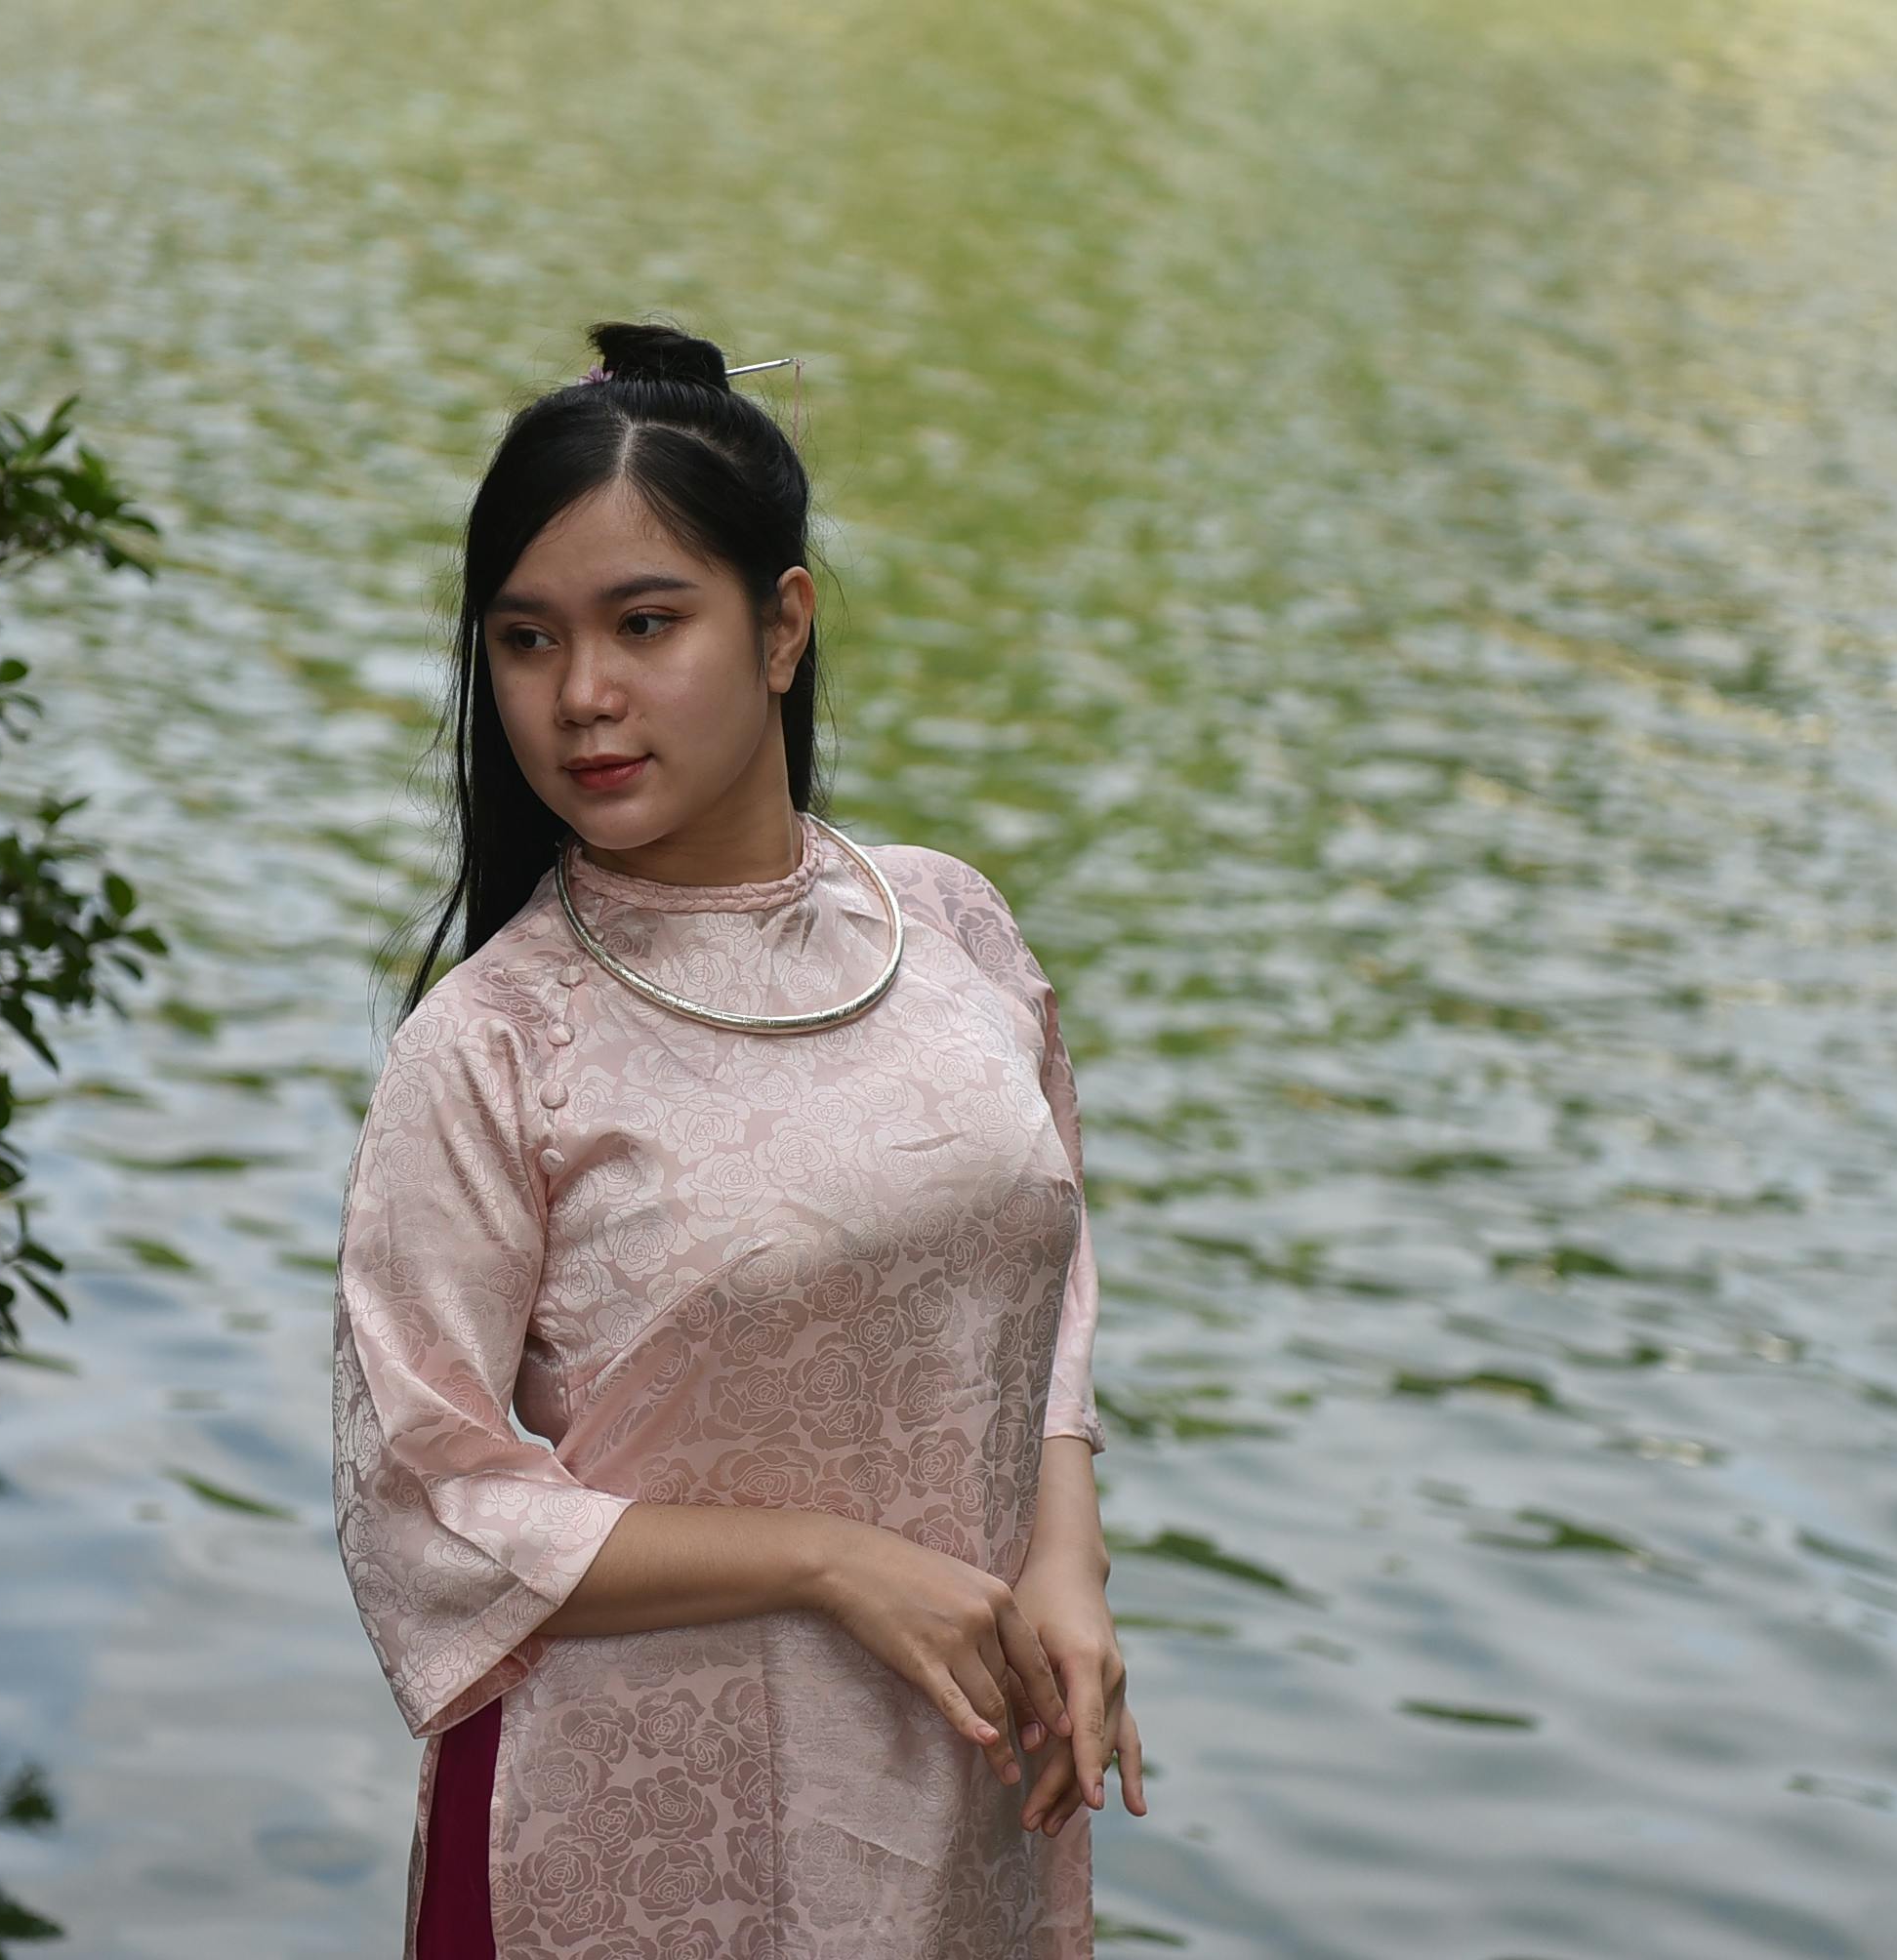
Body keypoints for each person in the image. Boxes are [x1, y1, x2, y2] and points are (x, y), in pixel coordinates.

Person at [331, 317, 1146, 1960]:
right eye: (526, 640)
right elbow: (420, 1494)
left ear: (784, 627)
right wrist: (830, 1565)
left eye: (647, 623)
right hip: (624, 1796)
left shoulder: (952, 931)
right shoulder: (498, 1047)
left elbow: (1038, 1276)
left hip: (959, 1752)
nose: (582, 698)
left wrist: (1069, 1559)